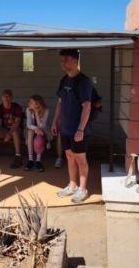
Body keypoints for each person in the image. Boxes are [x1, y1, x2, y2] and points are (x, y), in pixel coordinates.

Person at [51, 49, 93, 203]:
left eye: (65, 60)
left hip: (79, 130)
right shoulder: (64, 80)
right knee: (69, 156)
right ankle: (72, 185)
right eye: (61, 60)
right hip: (65, 127)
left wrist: (81, 129)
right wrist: (55, 121)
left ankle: (83, 189)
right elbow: (60, 102)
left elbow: (87, 106)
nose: (62, 63)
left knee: (80, 158)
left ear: (75, 61)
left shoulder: (84, 81)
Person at [24, 94, 53, 172]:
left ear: (37, 104)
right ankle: (30, 160)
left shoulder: (46, 110)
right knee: (30, 132)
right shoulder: (28, 109)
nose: (29, 104)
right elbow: (28, 124)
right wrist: (36, 128)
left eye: (31, 102)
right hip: (31, 128)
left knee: (40, 134)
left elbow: (42, 125)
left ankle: (38, 160)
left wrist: (36, 113)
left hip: (43, 130)